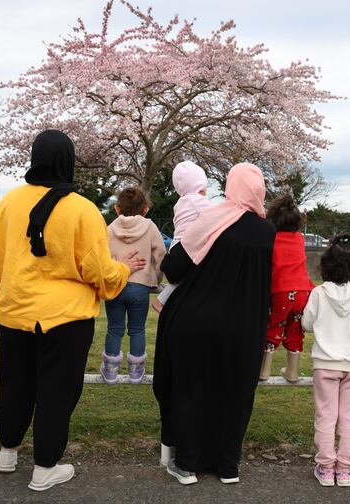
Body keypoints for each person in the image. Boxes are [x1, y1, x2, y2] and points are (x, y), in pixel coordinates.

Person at [0, 129, 145, 492]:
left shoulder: (7, 203)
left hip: (14, 311)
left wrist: (4, 279)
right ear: (68, 161)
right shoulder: (82, 209)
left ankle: (7, 453)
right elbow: (99, 273)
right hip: (66, 317)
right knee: (57, 391)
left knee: (15, 385)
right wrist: (124, 270)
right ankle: (45, 468)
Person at [153, 162, 275, 485]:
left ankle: (187, 464)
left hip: (197, 320)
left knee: (190, 389)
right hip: (245, 328)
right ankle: (228, 466)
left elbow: (175, 267)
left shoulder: (213, 218)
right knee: (236, 393)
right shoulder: (267, 231)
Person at [302, 235, 350, 487]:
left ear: (326, 266)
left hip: (325, 363)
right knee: (349, 417)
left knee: (326, 416)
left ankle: (325, 466)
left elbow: (307, 324)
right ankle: (343, 469)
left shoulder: (318, 293)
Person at [100, 186, 166, 384]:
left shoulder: (109, 229)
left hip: (117, 284)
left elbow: (102, 256)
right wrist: (156, 278)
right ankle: (136, 370)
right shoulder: (150, 227)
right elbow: (161, 254)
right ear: (145, 209)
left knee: (114, 328)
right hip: (140, 286)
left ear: (117, 208)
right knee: (137, 329)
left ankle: (111, 369)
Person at [259, 194, 314, 382]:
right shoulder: (299, 239)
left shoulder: (271, 238)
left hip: (282, 292)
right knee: (295, 330)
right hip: (302, 292)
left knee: (273, 327)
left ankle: (264, 370)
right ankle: (292, 371)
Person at [151, 161, 212, 313]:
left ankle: (161, 301)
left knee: (179, 280)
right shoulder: (196, 201)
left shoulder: (181, 202)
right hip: (187, 246)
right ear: (198, 185)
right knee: (188, 275)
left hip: (177, 243)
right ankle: (160, 303)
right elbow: (215, 214)